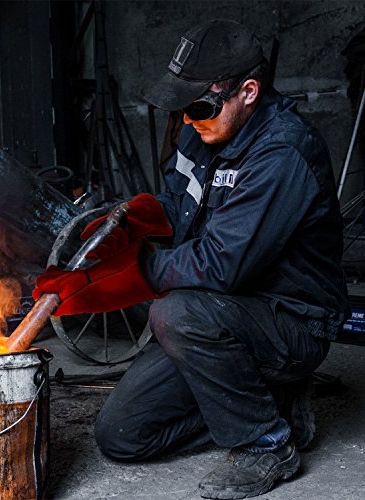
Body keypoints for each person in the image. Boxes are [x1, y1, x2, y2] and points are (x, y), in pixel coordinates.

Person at [33, 18, 350, 499]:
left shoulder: (282, 152)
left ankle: (266, 443)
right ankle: (275, 405)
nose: (187, 119)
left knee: (175, 312)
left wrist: (132, 273)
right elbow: (183, 205)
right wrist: (139, 219)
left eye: (199, 106)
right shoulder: (202, 130)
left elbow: (221, 264)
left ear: (248, 92)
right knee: (122, 435)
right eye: (182, 105)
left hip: (290, 320)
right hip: (220, 315)